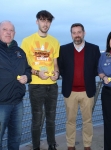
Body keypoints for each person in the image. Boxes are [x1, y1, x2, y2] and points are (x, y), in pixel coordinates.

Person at [21, 10, 60, 150]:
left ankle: (52, 144)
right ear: (37, 21)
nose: (45, 23)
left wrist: (56, 73)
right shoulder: (27, 41)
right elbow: (24, 66)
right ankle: (36, 147)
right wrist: (37, 73)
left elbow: (55, 63)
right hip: (36, 85)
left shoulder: (55, 42)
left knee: (51, 119)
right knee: (36, 120)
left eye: (48, 21)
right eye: (43, 20)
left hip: (52, 85)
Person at [58, 23, 100, 150]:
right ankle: (71, 145)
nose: (77, 35)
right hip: (70, 92)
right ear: (71, 34)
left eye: (79, 32)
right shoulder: (63, 49)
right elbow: (61, 68)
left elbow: (97, 68)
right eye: (74, 32)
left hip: (87, 91)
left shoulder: (94, 49)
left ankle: (87, 145)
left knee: (87, 121)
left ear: (84, 33)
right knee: (70, 121)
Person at [0, 21, 31, 150]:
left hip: (18, 103)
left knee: (15, 139)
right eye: (5, 29)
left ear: (15, 33)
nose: (8, 32)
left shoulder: (20, 52)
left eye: (11, 30)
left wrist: (27, 77)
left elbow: (28, 69)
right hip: (1, 104)